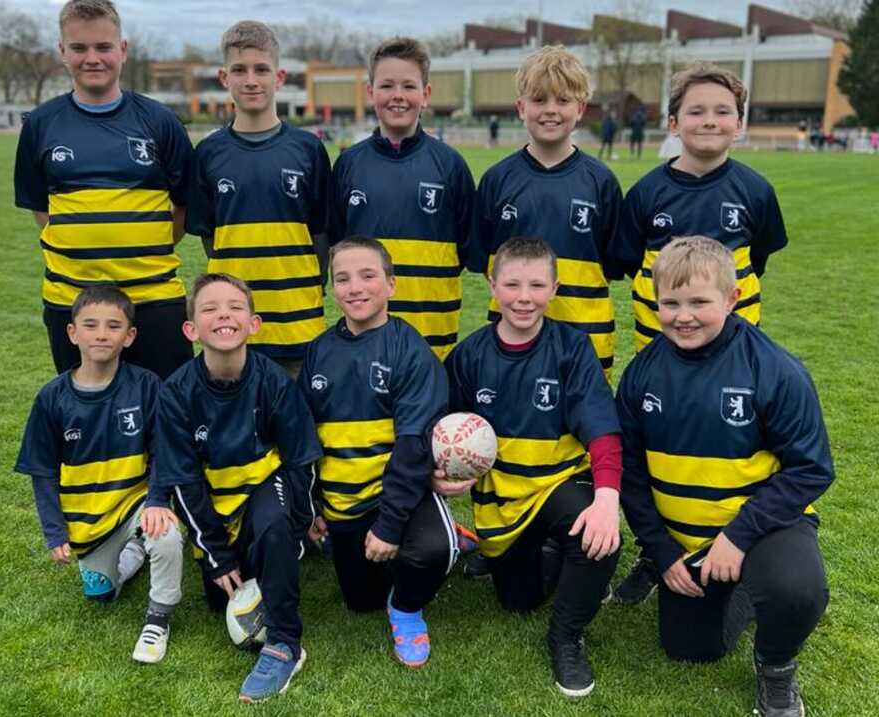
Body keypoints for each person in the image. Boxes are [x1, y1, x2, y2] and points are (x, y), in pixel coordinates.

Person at [616, 236, 831, 717]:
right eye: (669, 303)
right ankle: (728, 586)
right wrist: (662, 550)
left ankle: (776, 667)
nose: (682, 315)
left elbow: (812, 468)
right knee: (690, 649)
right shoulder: (642, 372)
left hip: (761, 526)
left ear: (732, 299)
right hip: (684, 537)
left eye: (699, 301)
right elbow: (629, 472)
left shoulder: (774, 369)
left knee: (796, 589)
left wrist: (738, 536)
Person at [611, 62, 788, 603]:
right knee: (663, 450)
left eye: (722, 112)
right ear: (672, 121)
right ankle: (654, 551)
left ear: (739, 123)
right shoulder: (645, 193)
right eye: (696, 110)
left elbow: (755, 263)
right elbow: (626, 263)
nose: (709, 121)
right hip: (658, 355)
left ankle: (735, 545)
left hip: (734, 363)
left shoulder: (755, 191)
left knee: (726, 445)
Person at [440, 237, 621, 698]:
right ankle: (546, 553)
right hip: (502, 496)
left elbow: (601, 429)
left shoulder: (571, 349)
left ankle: (565, 638)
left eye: (538, 285)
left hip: (559, 481)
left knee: (595, 539)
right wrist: (443, 472)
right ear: (492, 285)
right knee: (516, 601)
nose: (525, 296)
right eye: (513, 284)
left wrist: (605, 498)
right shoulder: (470, 355)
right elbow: (446, 429)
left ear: (555, 288)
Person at [153, 273, 322, 702]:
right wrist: (216, 555)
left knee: (274, 523)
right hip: (218, 521)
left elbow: (302, 460)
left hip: (266, 494)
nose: (223, 314)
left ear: (253, 324)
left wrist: (297, 527)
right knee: (220, 600)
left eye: (234, 307)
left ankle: (285, 644)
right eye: (209, 308)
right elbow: (182, 482)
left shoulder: (274, 382)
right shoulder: (176, 393)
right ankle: (255, 564)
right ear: (191, 329)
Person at [298, 237, 457, 668]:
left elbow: (413, 446)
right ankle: (374, 562)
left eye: (368, 276)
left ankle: (406, 608)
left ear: (392, 284)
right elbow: (304, 439)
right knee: (359, 601)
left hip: (397, 497)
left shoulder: (410, 350)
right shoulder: (317, 351)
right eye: (342, 278)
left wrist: (389, 525)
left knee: (433, 551)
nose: (355, 287)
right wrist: (311, 507)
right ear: (331, 288)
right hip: (344, 505)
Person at [14, 0, 194, 379]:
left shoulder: (160, 121)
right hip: (72, 301)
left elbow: (183, 207)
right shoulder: (41, 124)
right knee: (86, 413)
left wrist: (140, 252)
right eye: (79, 48)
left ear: (123, 50)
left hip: (153, 300)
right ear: (63, 52)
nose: (92, 58)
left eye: (103, 47)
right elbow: (41, 208)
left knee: (165, 415)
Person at [14, 285, 184, 664]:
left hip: (135, 501)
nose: (102, 334)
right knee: (100, 595)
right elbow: (41, 472)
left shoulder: (145, 385)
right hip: (88, 519)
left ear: (130, 336)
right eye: (90, 325)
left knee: (165, 532)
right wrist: (55, 531)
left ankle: (158, 618)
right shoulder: (51, 398)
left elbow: (163, 451)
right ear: (73, 334)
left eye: (113, 326)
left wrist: (157, 500)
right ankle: (133, 553)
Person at [187, 21, 331, 379]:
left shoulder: (308, 150)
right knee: (238, 430)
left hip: (298, 321)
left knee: (298, 428)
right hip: (233, 325)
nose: (251, 80)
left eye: (261, 69)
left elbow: (323, 235)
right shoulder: (208, 153)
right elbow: (210, 237)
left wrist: (307, 289)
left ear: (279, 76)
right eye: (239, 70)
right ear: (224, 77)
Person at [470, 46, 623, 381]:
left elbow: (610, 264)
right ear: (521, 108)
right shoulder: (497, 180)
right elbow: (485, 260)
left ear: (581, 108)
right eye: (539, 100)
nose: (551, 111)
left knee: (583, 423)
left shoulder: (601, 182)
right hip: (511, 337)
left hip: (586, 334)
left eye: (563, 101)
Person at [329, 36, 475, 361]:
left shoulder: (450, 166)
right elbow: (337, 246)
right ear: (370, 93)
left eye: (409, 86)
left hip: (432, 337)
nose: (398, 96)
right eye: (386, 86)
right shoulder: (348, 165)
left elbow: (465, 250)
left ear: (426, 94)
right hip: (363, 339)